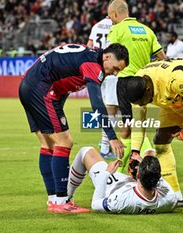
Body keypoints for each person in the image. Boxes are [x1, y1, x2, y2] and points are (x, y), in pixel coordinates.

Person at [19, 43, 129, 213]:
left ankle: (54, 200)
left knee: (48, 145)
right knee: (65, 142)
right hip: (42, 90)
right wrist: (112, 137)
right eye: (115, 68)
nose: (114, 73)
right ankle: (62, 201)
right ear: (106, 57)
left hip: (30, 85)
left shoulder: (89, 55)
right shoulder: (94, 65)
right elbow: (97, 105)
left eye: (118, 71)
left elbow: (60, 73)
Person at [122, 59, 183, 213]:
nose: (140, 105)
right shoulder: (138, 86)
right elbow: (138, 124)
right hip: (174, 100)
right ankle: (176, 196)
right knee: (160, 142)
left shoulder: (173, 79)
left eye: (142, 102)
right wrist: (134, 153)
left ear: (147, 89)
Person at [107, 0, 167, 171]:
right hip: (145, 84)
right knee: (133, 126)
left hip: (126, 82)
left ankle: (143, 161)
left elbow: (109, 55)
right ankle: (126, 170)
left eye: (110, 16)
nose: (110, 19)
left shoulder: (117, 29)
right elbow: (163, 57)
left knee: (130, 128)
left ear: (116, 14)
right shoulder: (147, 30)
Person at [67, 146, 178, 214]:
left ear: (138, 175)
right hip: (131, 184)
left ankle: (66, 197)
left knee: (86, 151)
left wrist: (107, 173)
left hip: (112, 185)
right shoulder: (169, 199)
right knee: (150, 152)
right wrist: (143, 162)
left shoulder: (120, 201)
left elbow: (95, 204)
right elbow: (157, 176)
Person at [87, 16, 117, 158]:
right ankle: (105, 147)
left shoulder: (97, 25)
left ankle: (105, 144)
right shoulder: (116, 26)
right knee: (111, 110)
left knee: (105, 108)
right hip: (111, 69)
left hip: (97, 69)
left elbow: (89, 46)